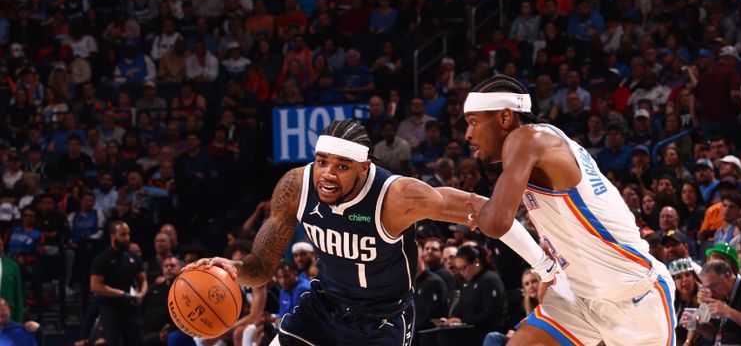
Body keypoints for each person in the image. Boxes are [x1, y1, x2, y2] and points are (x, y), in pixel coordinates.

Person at [185, 119, 557, 346]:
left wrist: (544, 264)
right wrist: (236, 271)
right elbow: (262, 265)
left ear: (364, 168)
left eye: (342, 166)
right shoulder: (295, 186)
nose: (328, 174)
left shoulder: (397, 196)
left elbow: (486, 210)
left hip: (383, 320)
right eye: (322, 162)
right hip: (324, 306)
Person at [464, 74, 675, 346]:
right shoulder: (538, 148)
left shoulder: (527, 138)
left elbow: (496, 223)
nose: (468, 134)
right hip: (580, 296)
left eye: (473, 122)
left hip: (634, 298)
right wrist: (549, 271)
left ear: (505, 118)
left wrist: (477, 213)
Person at [89, 220, 147, 346]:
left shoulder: (133, 257)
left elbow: (143, 279)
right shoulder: (102, 258)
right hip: (111, 309)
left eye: (128, 234)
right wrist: (121, 294)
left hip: (131, 307)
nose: (127, 238)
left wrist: (142, 293)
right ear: (112, 235)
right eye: (122, 234)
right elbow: (95, 285)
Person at [688, 260, 741, 344]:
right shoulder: (723, 296)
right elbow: (714, 334)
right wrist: (696, 325)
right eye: (706, 287)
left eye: (713, 286)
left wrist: (728, 311)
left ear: (727, 276)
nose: (710, 291)